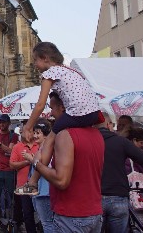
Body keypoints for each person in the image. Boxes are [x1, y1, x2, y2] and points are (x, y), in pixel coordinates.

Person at [21, 42, 103, 193]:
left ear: (45, 58)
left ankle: (33, 182)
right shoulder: (69, 70)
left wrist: (28, 126)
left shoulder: (49, 74)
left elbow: (40, 104)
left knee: (49, 140)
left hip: (78, 112)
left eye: (35, 60)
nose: (34, 65)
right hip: (93, 112)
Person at [23, 91, 105, 233]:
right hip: (94, 213)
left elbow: (61, 181)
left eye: (52, 108)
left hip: (71, 215)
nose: (51, 113)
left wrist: (36, 164)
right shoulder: (97, 134)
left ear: (63, 107)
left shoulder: (65, 135)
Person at [99, 123, 143, 233]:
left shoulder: (88, 142)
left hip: (96, 197)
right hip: (118, 196)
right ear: (109, 125)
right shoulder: (121, 142)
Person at [27, 121, 56, 233]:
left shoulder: (47, 150)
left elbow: (47, 169)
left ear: (45, 135)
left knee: (47, 223)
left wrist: (32, 160)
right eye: (34, 132)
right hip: (40, 192)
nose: (35, 135)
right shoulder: (41, 149)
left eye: (38, 133)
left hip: (45, 192)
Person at [10, 127, 39, 233]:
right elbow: (12, 165)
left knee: (42, 213)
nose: (28, 134)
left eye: (30, 131)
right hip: (23, 185)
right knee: (27, 213)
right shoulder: (17, 147)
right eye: (26, 131)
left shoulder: (39, 145)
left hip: (39, 185)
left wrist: (32, 159)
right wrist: (27, 162)